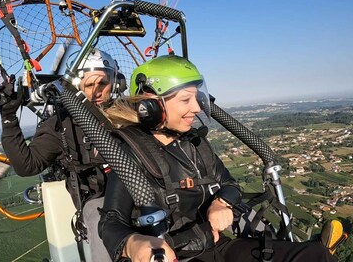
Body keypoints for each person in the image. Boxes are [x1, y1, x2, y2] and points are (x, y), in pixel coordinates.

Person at [99, 55, 338, 262]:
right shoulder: (127, 152)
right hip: (173, 254)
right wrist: (134, 243)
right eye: (185, 100)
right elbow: (111, 221)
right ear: (150, 106)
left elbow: (230, 184)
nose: (196, 107)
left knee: (313, 256)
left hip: (214, 246)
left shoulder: (194, 143)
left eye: (196, 98)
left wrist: (221, 203)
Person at [0, 47, 124, 261]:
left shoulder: (127, 115)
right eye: (89, 84)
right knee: (100, 221)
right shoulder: (61, 124)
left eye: (102, 83)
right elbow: (27, 165)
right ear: (77, 88)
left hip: (139, 192)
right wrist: (9, 117)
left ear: (115, 84)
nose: (97, 91)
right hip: (100, 202)